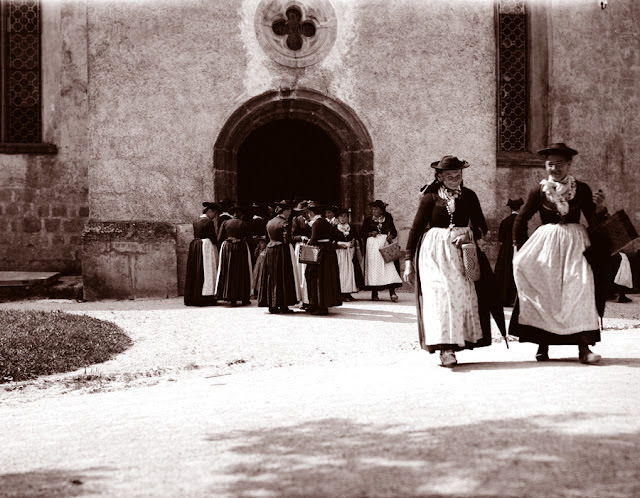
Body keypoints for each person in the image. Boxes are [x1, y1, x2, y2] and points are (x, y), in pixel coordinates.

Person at [509, 142, 607, 364]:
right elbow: (521, 218)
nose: (554, 169)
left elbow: (592, 219)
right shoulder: (539, 190)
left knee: (580, 288)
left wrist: (600, 210)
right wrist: (519, 248)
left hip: (576, 245)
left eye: (559, 164)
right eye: (550, 164)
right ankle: (543, 345)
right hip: (547, 246)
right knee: (547, 291)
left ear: (569, 165)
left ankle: (584, 347)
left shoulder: (581, 189)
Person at [404, 155, 491, 367]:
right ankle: (445, 348)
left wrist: (469, 234)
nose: (455, 179)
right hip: (434, 253)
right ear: (440, 176)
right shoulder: (430, 197)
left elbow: (482, 227)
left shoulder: (469, 196)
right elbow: (416, 229)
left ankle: (457, 342)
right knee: (439, 297)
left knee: (459, 297)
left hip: (461, 253)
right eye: (450, 175)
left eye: (458, 175)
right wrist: (408, 260)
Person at [258, 201, 298, 314]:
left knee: (271, 277)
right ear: (285, 211)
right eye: (289, 210)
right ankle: (283, 305)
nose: (290, 213)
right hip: (281, 251)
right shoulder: (285, 223)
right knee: (283, 276)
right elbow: (287, 239)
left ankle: (272, 305)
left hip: (270, 250)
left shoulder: (270, 222)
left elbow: (267, 238)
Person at [304, 201, 342, 315]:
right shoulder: (326, 222)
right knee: (326, 279)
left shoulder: (317, 223)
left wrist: (306, 242)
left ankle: (319, 305)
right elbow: (336, 235)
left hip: (320, 253)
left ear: (311, 212)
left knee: (316, 277)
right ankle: (320, 304)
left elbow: (313, 239)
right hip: (328, 252)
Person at [361, 200, 402, 302]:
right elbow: (362, 233)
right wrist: (371, 233)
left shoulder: (387, 218)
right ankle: (374, 293)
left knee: (389, 267)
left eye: (376, 209)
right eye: (373, 209)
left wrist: (391, 235)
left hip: (385, 245)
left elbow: (394, 231)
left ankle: (392, 292)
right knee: (374, 268)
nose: (374, 211)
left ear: (382, 210)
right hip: (373, 247)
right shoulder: (368, 220)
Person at [184, 202, 220, 306]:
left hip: (196, 245)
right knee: (207, 270)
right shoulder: (208, 222)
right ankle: (206, 296)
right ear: (210, 211)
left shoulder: (196, 221)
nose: (214, 217)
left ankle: (195, 295)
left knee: (197, 270)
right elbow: (213, 237)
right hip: (206, 246)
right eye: (214, 214)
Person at [215, 205, 253, 306]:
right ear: (240, 214)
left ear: (232, 214)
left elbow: (219, 238)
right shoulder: (244, 224)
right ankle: (244, 297)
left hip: (228, 248)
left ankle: (231, 297)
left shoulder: (225, 223)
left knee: (229, 270)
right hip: (241, 248)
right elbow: (250, 239)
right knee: (242, 271)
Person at [494, 198, 524, 306]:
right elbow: (524, 237)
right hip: (518, 248)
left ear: (510, 209)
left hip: (505, 250)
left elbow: (501, 238)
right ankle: (515, 298)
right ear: (519, 208)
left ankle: (503, 298)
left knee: (504, 273)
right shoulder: (521, 221)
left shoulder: (504, 221)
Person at [334, 207, 360, 301]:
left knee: (349, 272)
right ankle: (341, 293)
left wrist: (354, 241)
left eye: (345, 216)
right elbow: (332, 240)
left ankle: (348, 292)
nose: (343, 218)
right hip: (340, 253)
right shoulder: (335, 228)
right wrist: (338, 245)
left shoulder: (351, 227)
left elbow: (356, 237)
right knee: (342, 272)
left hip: (349, 252)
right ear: (337, 218)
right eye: (341, 216)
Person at [290, 200, 311, 307]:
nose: (304, 213)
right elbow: (292, 236)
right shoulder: (296, 220)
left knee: (309, 272)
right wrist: (301, 237)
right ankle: (302, 299)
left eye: (305, 210)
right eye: (302, 211)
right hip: (301, 246)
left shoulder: (312, 220)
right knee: (301, 272)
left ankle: (310, 298)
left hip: (311, 247)